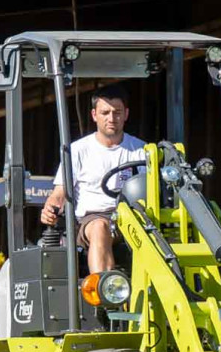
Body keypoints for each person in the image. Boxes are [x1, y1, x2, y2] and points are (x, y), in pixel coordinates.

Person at [41, 85, 145, 274]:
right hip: (92, 219)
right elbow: (59, 192)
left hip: (133, 217)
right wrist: (50, 207)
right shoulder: (77, 150)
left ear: (126, 114)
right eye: (105, 113)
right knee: (100, 228)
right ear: (94, 115)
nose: (111, 118)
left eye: (117, 112)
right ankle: (104, 285)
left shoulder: (141, 150)